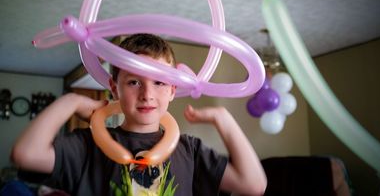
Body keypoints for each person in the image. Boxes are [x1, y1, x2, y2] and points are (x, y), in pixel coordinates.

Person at [11, 33, 267, 196]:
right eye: (134, 82)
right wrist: (71, 101)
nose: (147, 94)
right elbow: (26, 154)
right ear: (114, 88)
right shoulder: (88, 146)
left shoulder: (190, 150)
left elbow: (253, 185)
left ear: (172, 90)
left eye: (159, 83)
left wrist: (224, 119)